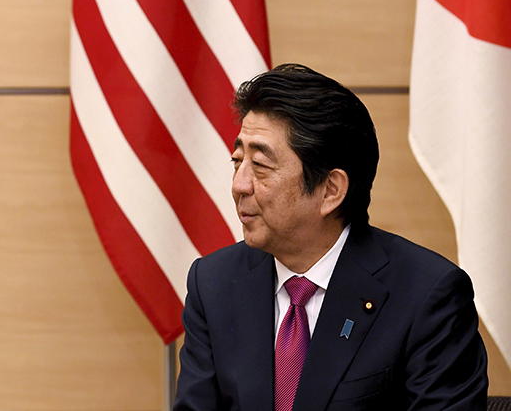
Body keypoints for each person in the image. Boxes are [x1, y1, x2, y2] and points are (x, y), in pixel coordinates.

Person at [173, 63, 488, 411]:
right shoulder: (214, 283)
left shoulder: (428, 296)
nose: (239, 185)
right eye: (237, 161)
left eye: (260, 166)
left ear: (330, 191)